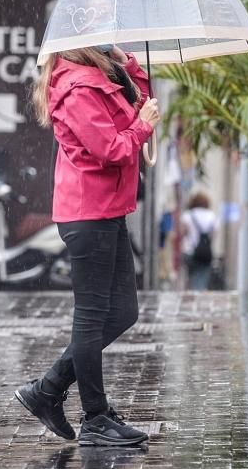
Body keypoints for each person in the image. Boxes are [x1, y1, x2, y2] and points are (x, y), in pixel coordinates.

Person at [15, 44, 160, 447]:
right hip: (88, 211)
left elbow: (136, 102)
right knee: (92, 315)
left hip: (109, 208)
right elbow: (109, 149)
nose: (109, 34)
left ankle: (47, 390)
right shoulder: (78, 86)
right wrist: (142, 127)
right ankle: (95, 417)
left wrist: (127, 61)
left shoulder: (104, 73)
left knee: (124, 311)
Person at [181, 192, 216, 291]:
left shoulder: (187, 215)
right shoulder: (211, 216)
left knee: (191, 275)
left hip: (189, 250)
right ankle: (199, 291)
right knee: (203, 275)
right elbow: (214, 234)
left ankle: (192, 292)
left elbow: (183, 233)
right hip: (205, 252)